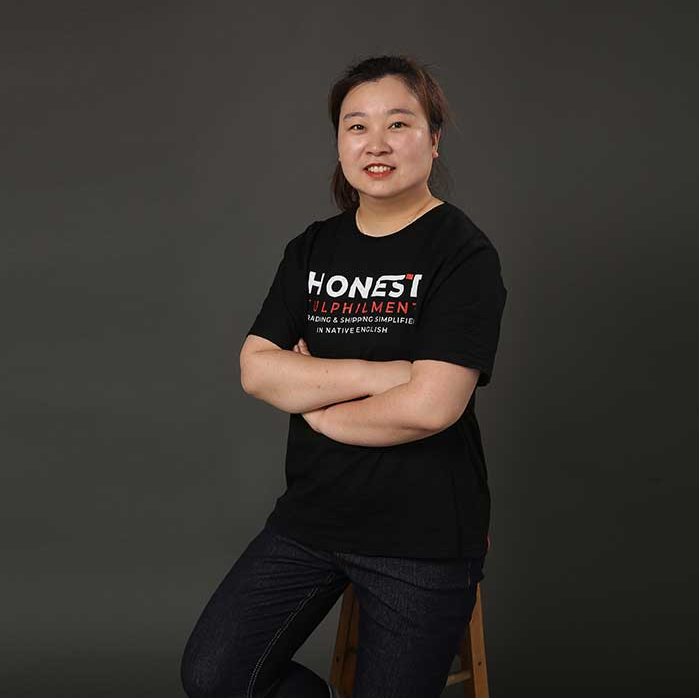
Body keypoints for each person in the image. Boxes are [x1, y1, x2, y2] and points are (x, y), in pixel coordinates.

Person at [180, 54, 508, 698]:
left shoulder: (462, 252)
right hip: (312, 519)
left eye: (399, 124)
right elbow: (256, 369)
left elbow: (431, 407)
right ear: (339, 143)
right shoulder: (312, 248)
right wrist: (381, 374)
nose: (376, 144)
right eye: (357, 126)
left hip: (422, 536)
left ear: (434, 140)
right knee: (215, 677)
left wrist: (316, 402)